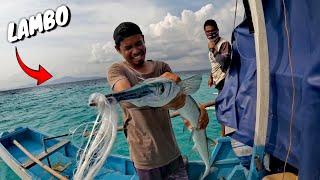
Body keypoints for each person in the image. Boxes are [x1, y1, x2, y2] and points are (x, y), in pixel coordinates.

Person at [107, 22, 209, 180]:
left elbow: (179, 102)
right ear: (117, 49)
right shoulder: (118, 70)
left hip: (173, 153)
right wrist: (164, 90)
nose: (136, 51)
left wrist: (197, 115)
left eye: (138, 43)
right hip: (145, 160)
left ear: (143, 39)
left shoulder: (162, 67)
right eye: (128, 48)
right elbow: (128, 98)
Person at [204, 19, 231, 92]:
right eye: (208, 32)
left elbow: (224, 62)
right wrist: (211, 77)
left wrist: (213, 50)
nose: (210, 33)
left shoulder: (224, 43)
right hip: (218, 81)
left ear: (217, 30)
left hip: (225, 80)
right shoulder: (212, 44)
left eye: (212, 30)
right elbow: (215, 63)